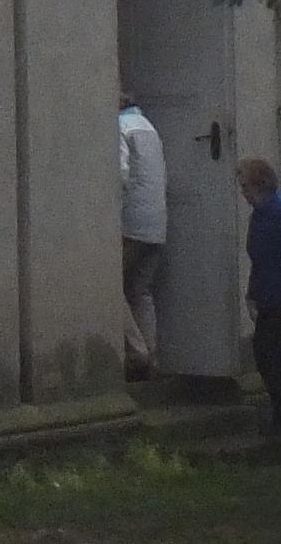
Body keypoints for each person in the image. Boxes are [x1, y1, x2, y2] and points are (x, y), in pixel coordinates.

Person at [238, 156, 281, 441]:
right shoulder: (259, 215)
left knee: (278, 360)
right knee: (264, 355)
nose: (243, 193)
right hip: (268, 296)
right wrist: (252, 294)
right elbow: (258, 258)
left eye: (245, 186)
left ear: (260, 184)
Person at [117, 89, 171, 379]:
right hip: (156, 224)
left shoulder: (120, 126)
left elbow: (120, 174)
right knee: (141, 292)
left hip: (130, 224)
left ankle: (138, 354)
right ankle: (151, 352)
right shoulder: (149, 128)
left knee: (111, 288)